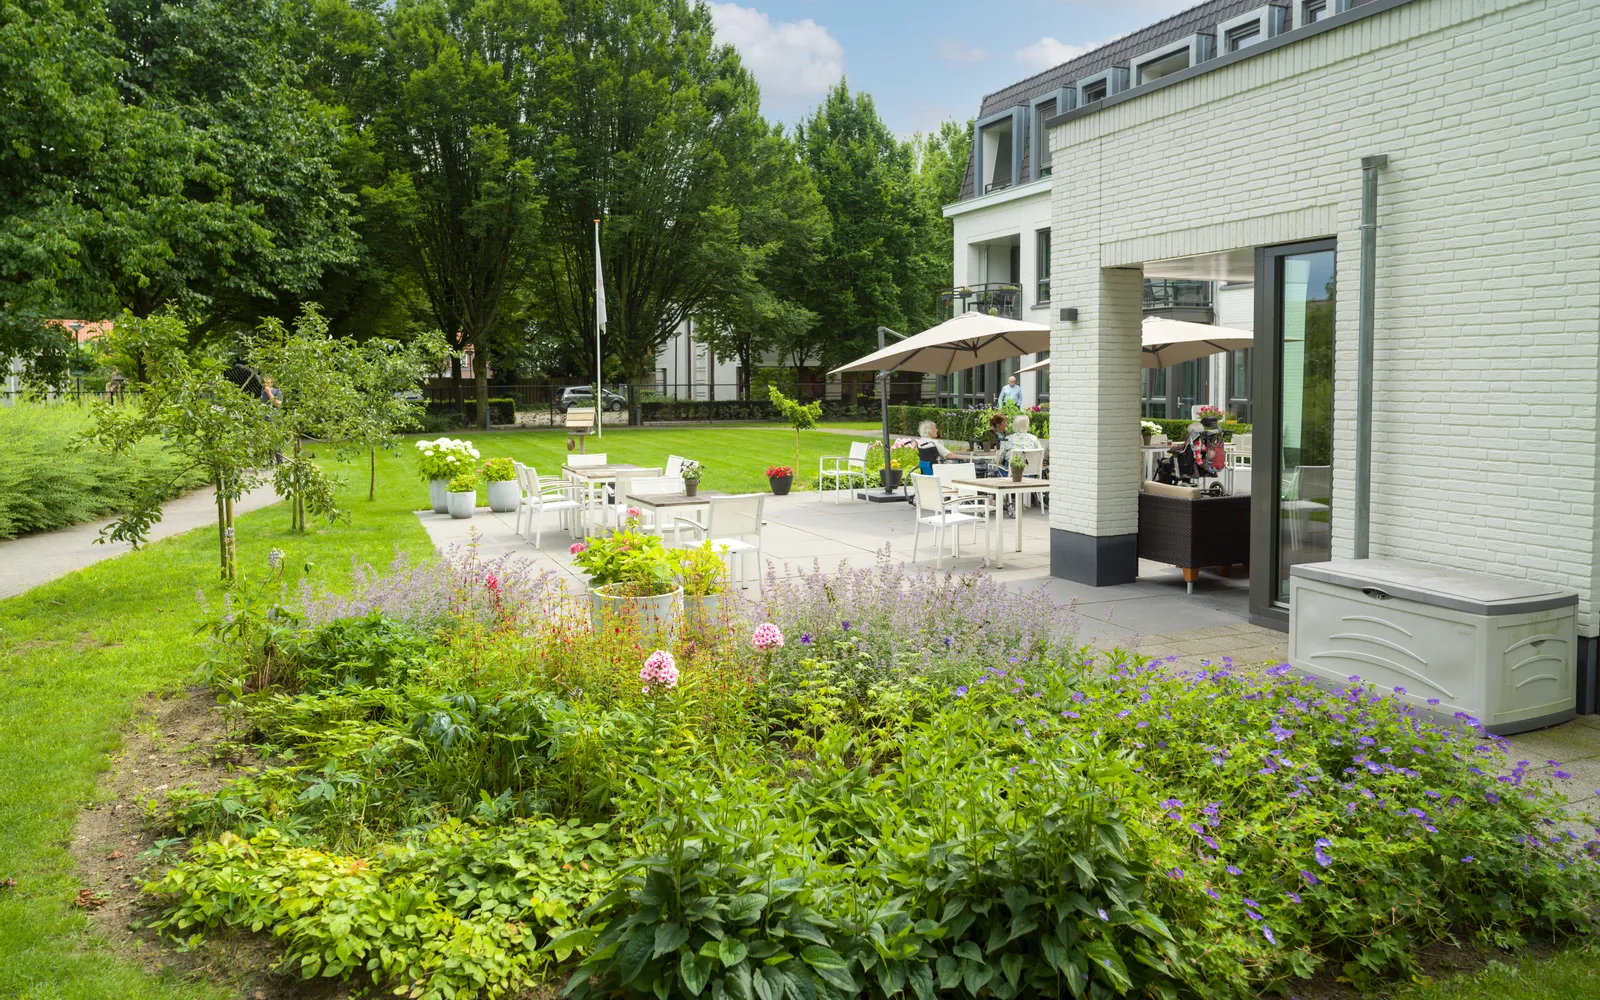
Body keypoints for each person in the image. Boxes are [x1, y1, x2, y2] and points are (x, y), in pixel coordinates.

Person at [995, 414, 1043, 517]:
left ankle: (1004, 501)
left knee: (997, 468)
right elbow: (1039, 453)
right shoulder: (1034, 439)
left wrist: (998, 462)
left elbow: (1000, 458)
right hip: (1031, 474)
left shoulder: (1008, 439)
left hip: (1014, 476)